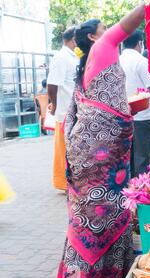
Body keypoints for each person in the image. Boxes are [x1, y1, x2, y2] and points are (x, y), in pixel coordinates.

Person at [58, 5, 145, 278]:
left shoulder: (93, 62)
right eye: (103, 28)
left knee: (87, 219)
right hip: (101, 158)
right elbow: (129, 22)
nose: (108, 31)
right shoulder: (105, 46)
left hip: (92, 156)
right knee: (98, 218)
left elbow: (101, 108)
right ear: (95, 37)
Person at [119, 30, 150, 177]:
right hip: (144, 117)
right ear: (139, 43)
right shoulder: (141, 62)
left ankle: (129, 192)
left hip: (123, 117)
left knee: (127, 159)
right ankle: (140, 193)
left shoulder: (117, 61)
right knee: (142, 160)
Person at [47, 27, 79, 192]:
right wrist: (54, 105)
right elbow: (52, 84)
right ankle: (64, 183)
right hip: (65, 111)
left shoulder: (73, 56)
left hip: (74, 110)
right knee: (64, 150)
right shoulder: (61, 57)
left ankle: (71, 181)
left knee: (72, 148)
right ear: (73, 39)